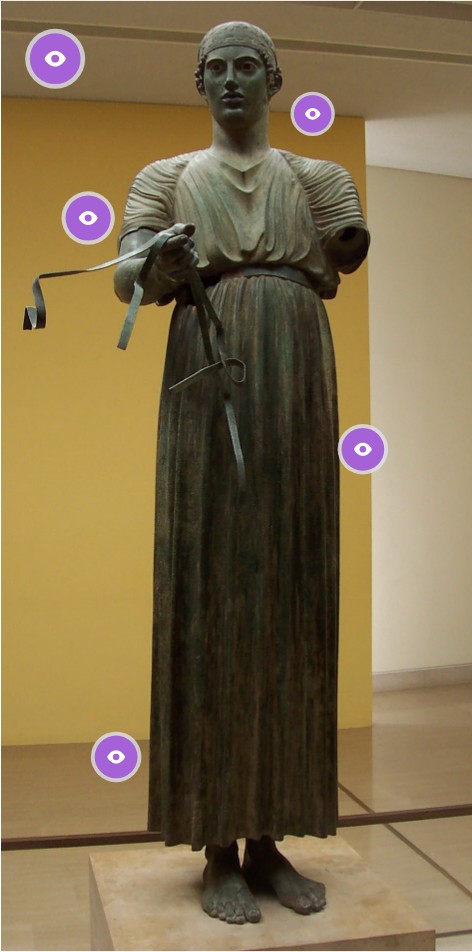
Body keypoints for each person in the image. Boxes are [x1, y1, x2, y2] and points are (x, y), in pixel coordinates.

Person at [114, 21, 369, 926]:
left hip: (296, 370)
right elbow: (127, 278)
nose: (230, 80)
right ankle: (218, 841)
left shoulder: (318, 176)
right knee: (214, 590)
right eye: (215, 68)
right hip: (209, 364)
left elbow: (345, 243)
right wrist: (157, 261)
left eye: (246, 67)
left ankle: (272, 838)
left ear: (274, 79)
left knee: (290, 590)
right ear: (199, 83)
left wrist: (344, 244)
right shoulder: (164, 177)